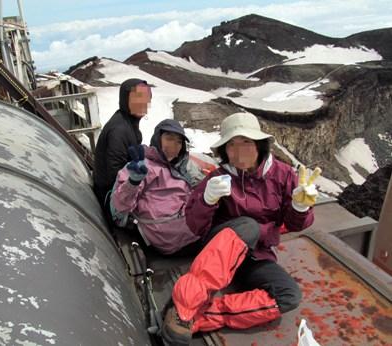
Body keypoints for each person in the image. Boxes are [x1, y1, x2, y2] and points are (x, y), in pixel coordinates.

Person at [161, 111, 321, 345]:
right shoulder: (218, 177)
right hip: (219, 252)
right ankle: (183, 305)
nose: (237, 151)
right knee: (249, 226)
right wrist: (206, 200)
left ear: (259, 145)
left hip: (256, 255)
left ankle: (197, 318)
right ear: (224, 150)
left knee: (289, 295)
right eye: (231, 145)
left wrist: (299, 207)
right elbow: (195, 226)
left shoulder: (283, 175)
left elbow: (296, 225)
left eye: (245, 142)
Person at [110, 119, 200, 255]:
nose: (174, 145)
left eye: (179, 142)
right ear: (158, 139)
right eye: (169, 138)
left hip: (186, 227)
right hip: (168, 237)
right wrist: (133, 182)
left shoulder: (181, 166)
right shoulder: (144, 166)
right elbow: (119, 208)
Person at [93, 78, 152, 209]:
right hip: (110, 197)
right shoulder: (119, 130)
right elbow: (114, 174)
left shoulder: (127, 121)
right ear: (126, 100)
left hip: (118, 189)